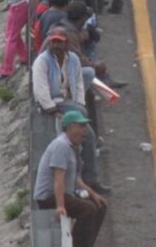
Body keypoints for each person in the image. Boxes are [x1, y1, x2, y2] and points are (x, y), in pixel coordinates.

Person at [31, 31, 105, 193]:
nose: (56, 45)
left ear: (66, 44)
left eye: (59, 42)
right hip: (53, 104)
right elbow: (40, 90)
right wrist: (53, 110)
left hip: (70, 104)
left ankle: (90, 179)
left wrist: (79, 105)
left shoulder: (73, 59)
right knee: (73, 141)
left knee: (88, 138)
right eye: (53, 42)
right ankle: (76, 185)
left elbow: (78, 84)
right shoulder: (42, 61)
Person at [33, 110, 107, 247]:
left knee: (99, 205)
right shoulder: (61, 146)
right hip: (48, 197)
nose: (85, 131)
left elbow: (75, 179)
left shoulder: (72, 146)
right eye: (81, 126)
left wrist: (93, 194)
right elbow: (58, 179)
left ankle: (87, 243)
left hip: (64, 193)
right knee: (87, 210)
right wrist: (60, 206)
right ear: (70, 127)